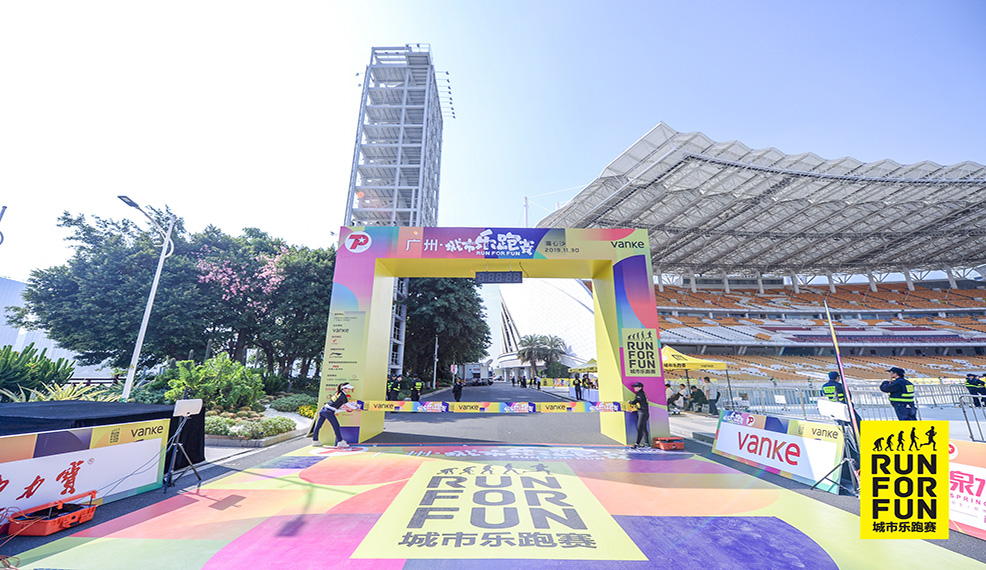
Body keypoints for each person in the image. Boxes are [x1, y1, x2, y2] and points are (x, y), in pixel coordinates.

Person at [313, 382, 354, 447]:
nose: (349, 390)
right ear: (344, 389)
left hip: (323, 410)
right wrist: (356, 407)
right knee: (336, 426)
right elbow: (347, 404)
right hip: (328, 412)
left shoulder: (338, 393)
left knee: (318, 426)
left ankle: (315, 441)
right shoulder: (343, 396)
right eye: (348, 389)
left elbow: (336, 405)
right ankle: (340, 442)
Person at [628, 382, 650, 448]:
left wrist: (630, 402)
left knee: (639, 428)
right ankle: (646, 443)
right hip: (643, 412)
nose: (634, 388)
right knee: (643, 428)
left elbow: (635, 401)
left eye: (636, 387)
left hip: (643, 413)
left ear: (640, 387)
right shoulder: (641, 393)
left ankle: (637, 443)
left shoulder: (640, 394)